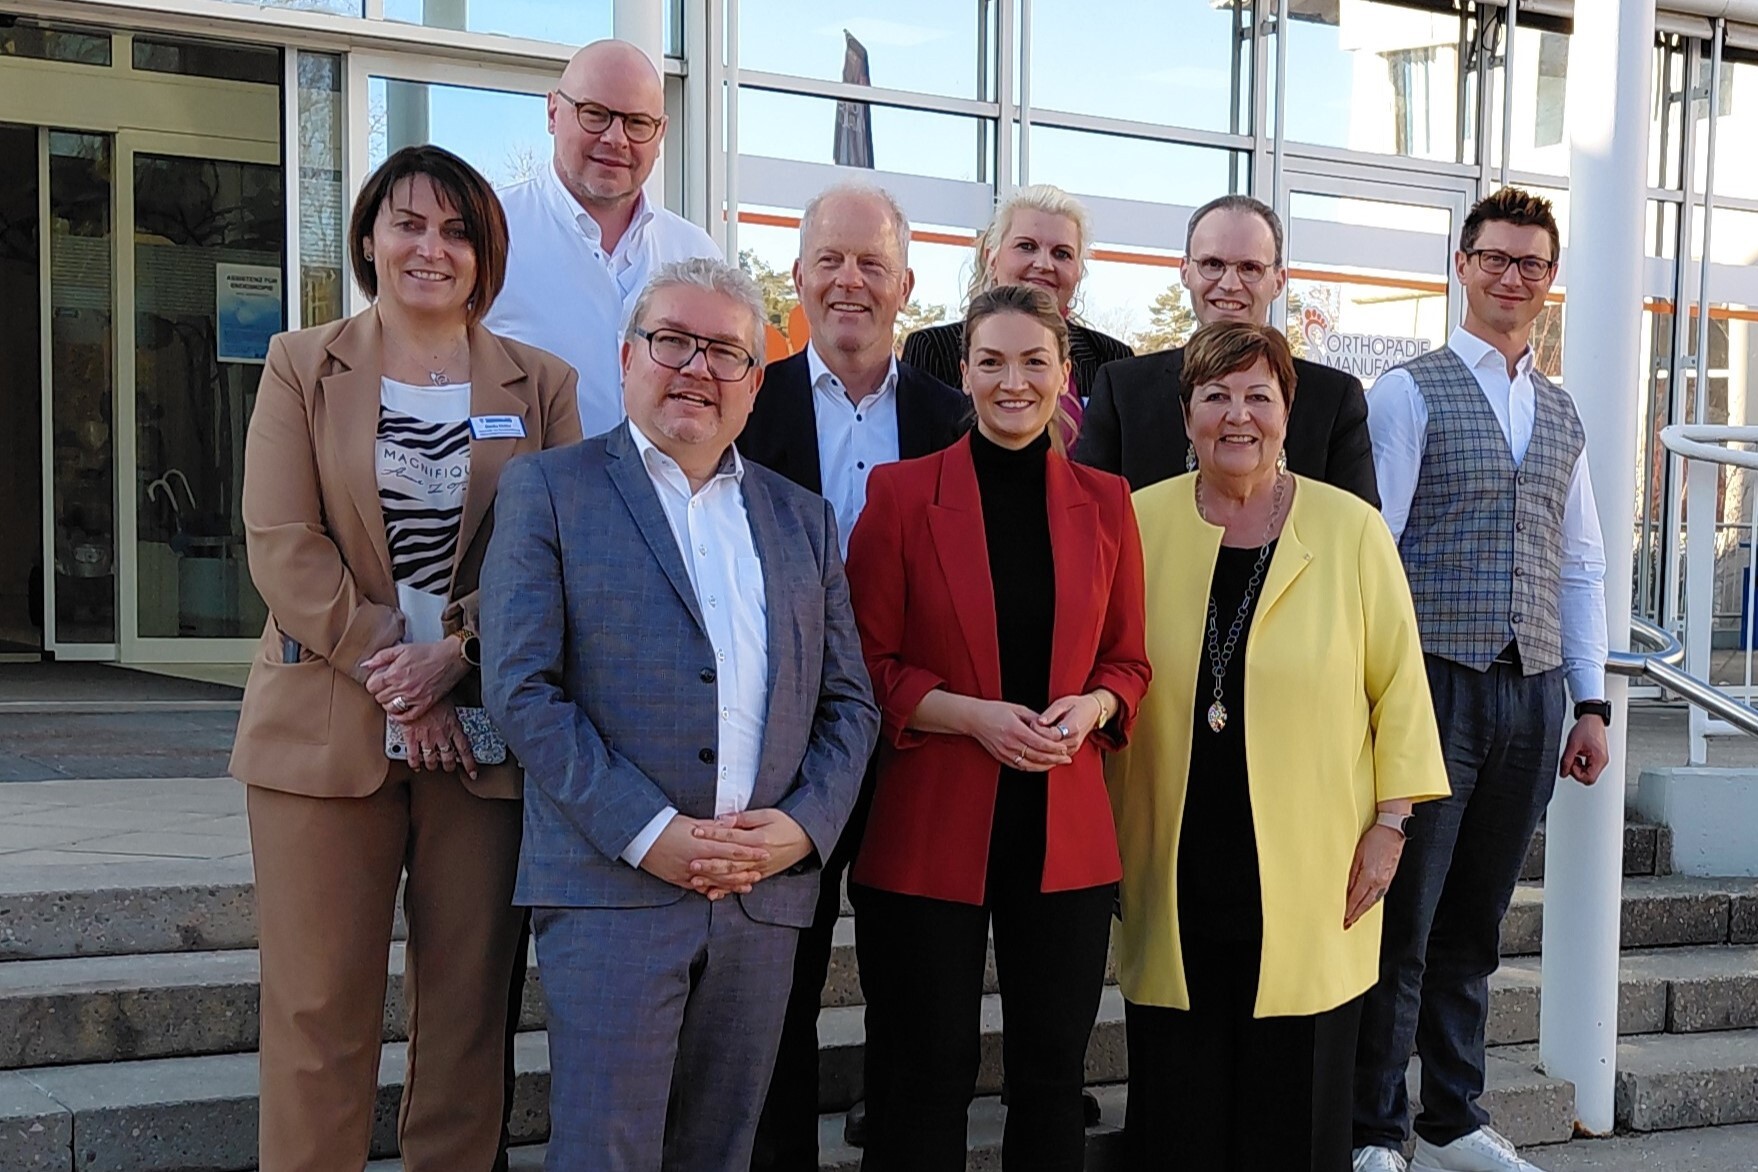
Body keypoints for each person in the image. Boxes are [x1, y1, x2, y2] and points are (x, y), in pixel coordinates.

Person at [481, 256, 879, 1172]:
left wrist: (801, 829)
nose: (698, 367)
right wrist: (648, 831)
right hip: (615, 890)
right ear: (627, 358)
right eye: (673, 342)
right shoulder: (551, 491)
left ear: (754, 381)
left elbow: (851, 702)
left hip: (762, 897)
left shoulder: (803, 520)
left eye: (726, 352)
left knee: (720, 1152)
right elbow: (521, 687)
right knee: (604, 1154)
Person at [229, 144, 582, 1172]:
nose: (432, 247)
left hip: (481, 738)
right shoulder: (303, 363)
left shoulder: (542, 384)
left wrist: (456, 654)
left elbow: (549, 549)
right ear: (371, 239)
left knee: (469, 1014)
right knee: (316, 1008)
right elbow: (282, 541)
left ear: (485, 253)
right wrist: (398, 665)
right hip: (322, 727)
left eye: (457, 230)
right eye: (409, 224)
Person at [1107, 320, 1447, 1172]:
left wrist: (1392, 823)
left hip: (1313, 864)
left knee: (1294, 1114)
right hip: (1172, 855)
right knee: (1179, 1104)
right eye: (1214, 395)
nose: (1237, 415)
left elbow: (1399, 682)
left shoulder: (1350, 528)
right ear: (1185, 414)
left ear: (1288, 411)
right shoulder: (1133, 524)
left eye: (1259, 394)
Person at [844, 284, 1151, 1171]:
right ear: (965, 371)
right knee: (920, 1075)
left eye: (1033, 362)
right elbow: (868, 663)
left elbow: (1128, 664)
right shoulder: (900, 495)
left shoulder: (1107, 502)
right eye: (991, 362)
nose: (1012, 383)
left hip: (1065, 833)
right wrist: (971, 717)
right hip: (930, 823)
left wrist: (1092, 707)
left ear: (1065, 374)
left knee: (1053, 1080)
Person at [1352, 188, 1610, 1172]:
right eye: (1496, 258)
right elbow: (1375, 556)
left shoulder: (1562, 408)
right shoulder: (1407, 393)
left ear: (1550, 281)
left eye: (1531, 264)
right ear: (1461, 265)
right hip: (1431, 684)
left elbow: (1579, 560)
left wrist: (1587, 699)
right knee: (1405, 920)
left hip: (1533, 690)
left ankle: (1453, 1115)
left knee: (1476, 920)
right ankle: (1374, 1126)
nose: (1513, 277)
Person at [738, 182, 966, 1172]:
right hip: (782, 741)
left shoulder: (953, 415)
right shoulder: (747, 400)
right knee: (777, 982)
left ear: (907, 285)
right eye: (829, 259)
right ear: (796, 277)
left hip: (916, 743)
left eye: (872, 263)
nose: (849, 280)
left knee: (913, 988)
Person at [1073, 195, 1378, 505]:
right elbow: (1087, 516)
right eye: (1212, 265)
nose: (1230, 283)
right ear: (1185, 271)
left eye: (1250, 268)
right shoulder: (1124, 390)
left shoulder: (1333, 400)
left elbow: (1358, 536)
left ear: (1278, 281)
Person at [486, 38, 721, 437]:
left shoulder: (696, 254)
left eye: (637, 123)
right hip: (524, 497)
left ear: (661, 133)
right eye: (595, 114)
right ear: (552, 112)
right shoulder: (489, 235)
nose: (616, 138)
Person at [901, 184, 1132, 446]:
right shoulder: (934, 350)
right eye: (1027, 246)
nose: (1044, 264)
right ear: (992, 259)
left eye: (1062, 253)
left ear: (1078, 271)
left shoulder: (1113, 361)